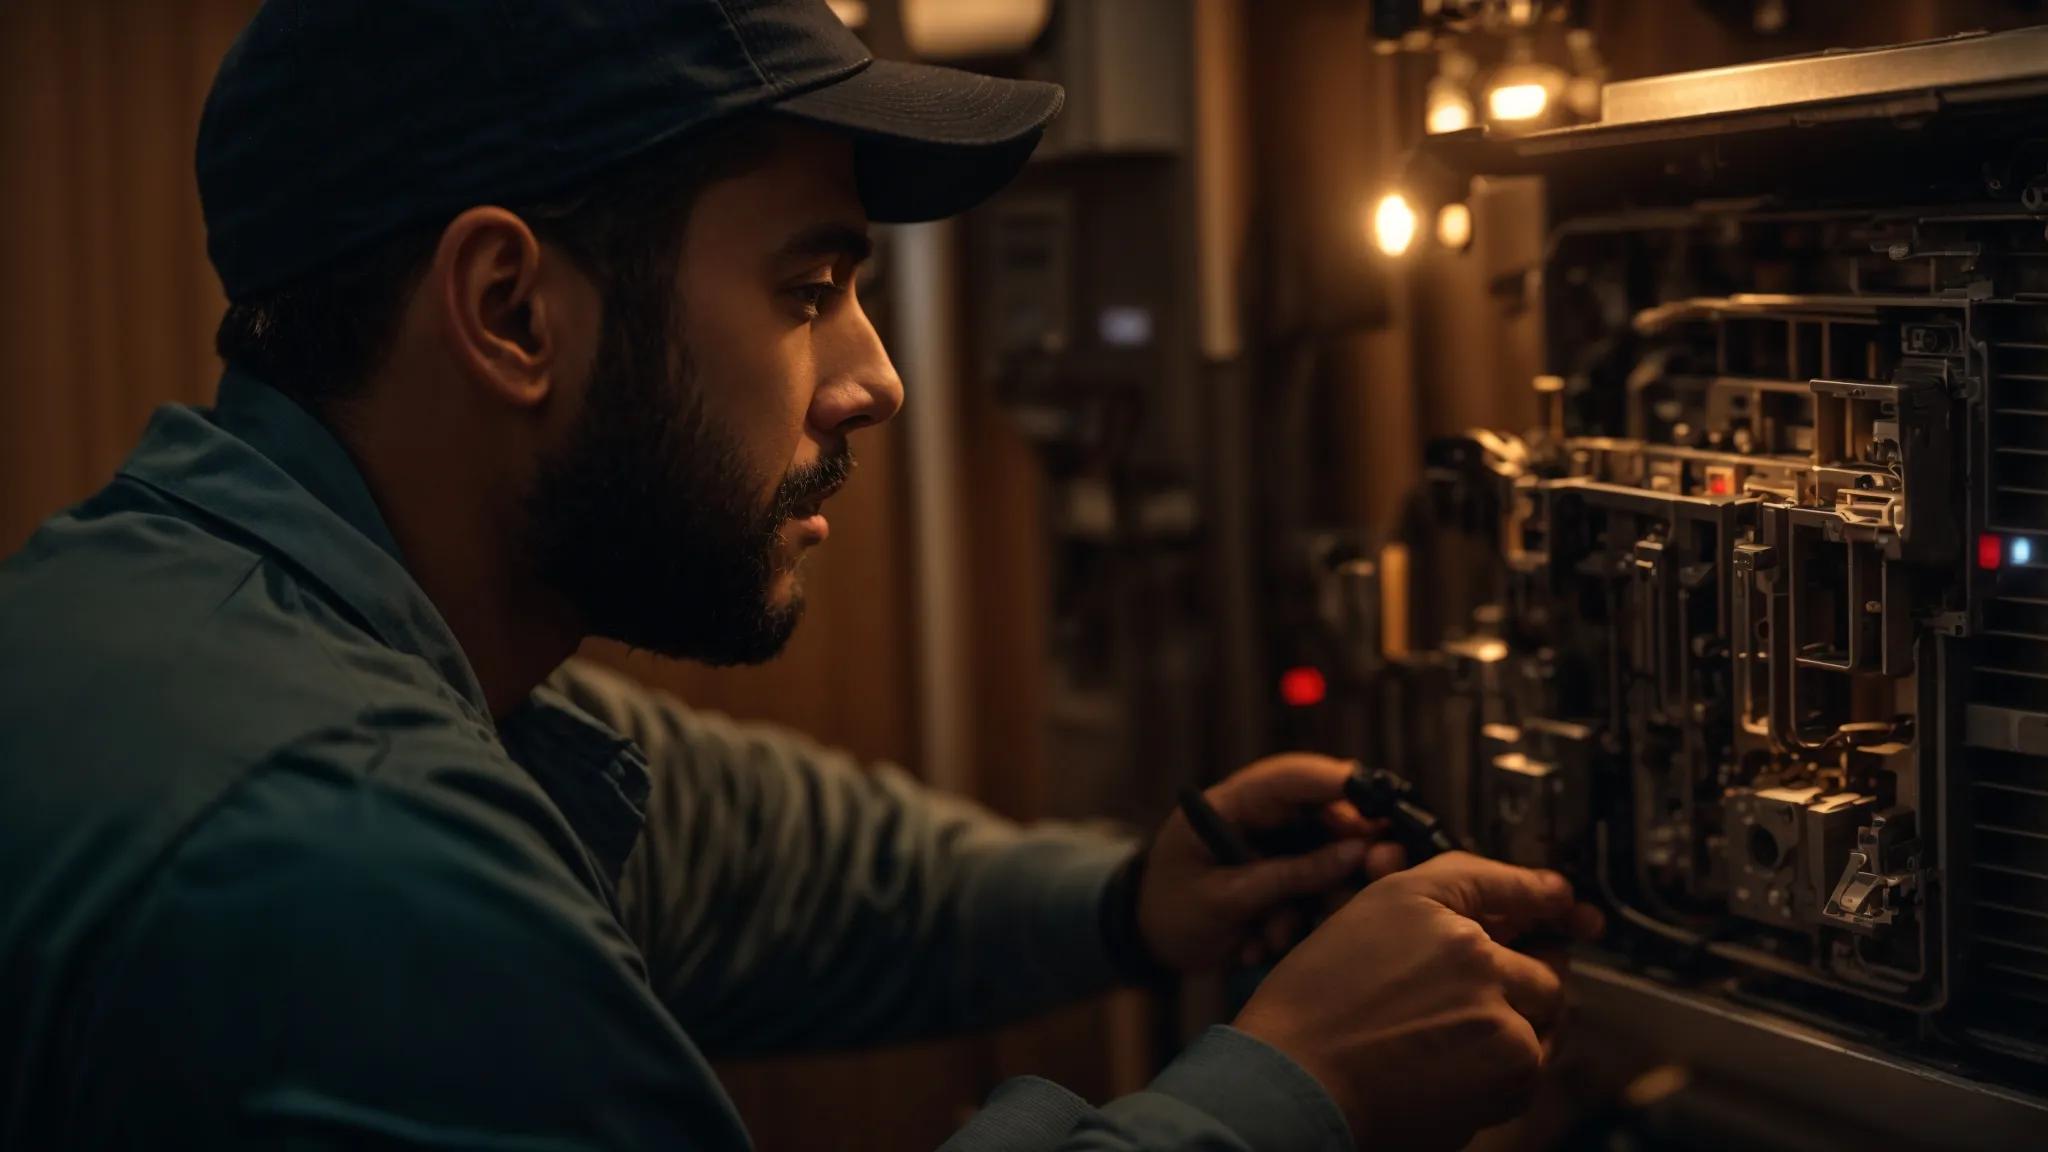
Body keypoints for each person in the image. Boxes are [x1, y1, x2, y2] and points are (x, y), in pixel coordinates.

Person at [0, 1, 1597, 1148]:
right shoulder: (337, 855)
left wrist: (1128, 904)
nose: (876, 378)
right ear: (509, 311)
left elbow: (748, 852)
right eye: (809, 287)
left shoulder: (228, 614)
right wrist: (1291, 1092)